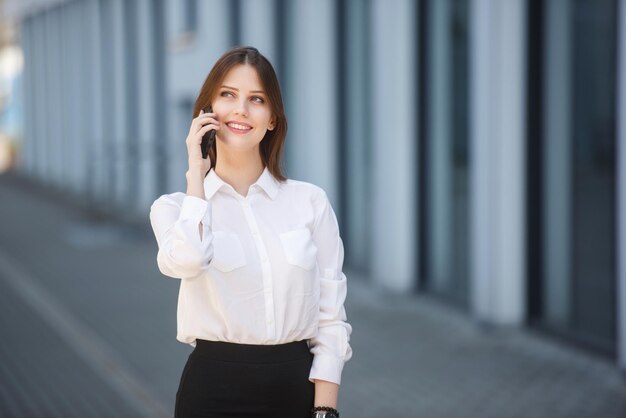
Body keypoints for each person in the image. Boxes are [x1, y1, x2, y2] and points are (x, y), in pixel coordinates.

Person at [149, 46, 352, 418]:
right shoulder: (175, 208)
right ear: (207, 111)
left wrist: (325, 410)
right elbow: (188, 260)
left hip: (297, 388)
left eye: (256, 99)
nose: (241, 109)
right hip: (212, 392)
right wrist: (196, 173)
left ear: (272, 118)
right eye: (228, 95)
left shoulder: (310, 202)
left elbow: (331, 318)